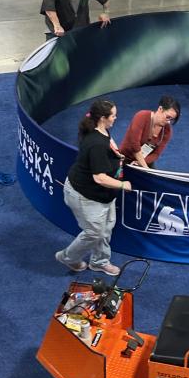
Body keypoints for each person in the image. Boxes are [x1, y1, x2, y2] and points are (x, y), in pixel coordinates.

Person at [55, 99, 131, 275]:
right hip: (85, 196)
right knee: (94, 233)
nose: (116, 118)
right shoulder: (96, 143)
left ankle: (99, 262)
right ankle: (68, 257)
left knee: (105, 230)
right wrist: (122, 184)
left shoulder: (102, 131)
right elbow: (100, 178)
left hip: (103, 195)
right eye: (113, 115)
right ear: (103, 118)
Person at [119, 96, 181, 170]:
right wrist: (146, 168)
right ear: (160, 109)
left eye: (171, 119)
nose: (168, 122)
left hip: (144, 161)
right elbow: (134, 145)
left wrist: (141, 163)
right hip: (125, 158)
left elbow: (156, 154)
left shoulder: (167, 131)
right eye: (168, 117)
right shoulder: (141, 116)